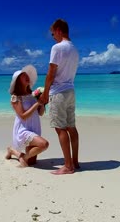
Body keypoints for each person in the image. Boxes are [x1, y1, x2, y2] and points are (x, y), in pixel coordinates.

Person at [39, 19, 80, 175]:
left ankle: (68, 166)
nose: (52, 36)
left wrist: (45, 93)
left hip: (58, 92)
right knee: (71, 127)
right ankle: (75, 162)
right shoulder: (75, 50)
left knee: (60, 128)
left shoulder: (57, 48)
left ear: (58, 30)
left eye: (52, 33)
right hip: (70, 91)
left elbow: (51, 73)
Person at [5, 65, 49, 167]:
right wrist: (37, 103)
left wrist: (42, 103)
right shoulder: (15, 97)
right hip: (23, 129)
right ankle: (21, 156)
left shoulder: (32, 95)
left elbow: (40, 113)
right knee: (44, 144)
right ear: (18, 81)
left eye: (27, 75)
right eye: (23, 76)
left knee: (32, 162)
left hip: (34, 128)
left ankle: (12, 151)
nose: (27, 76)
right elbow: (23, 116)